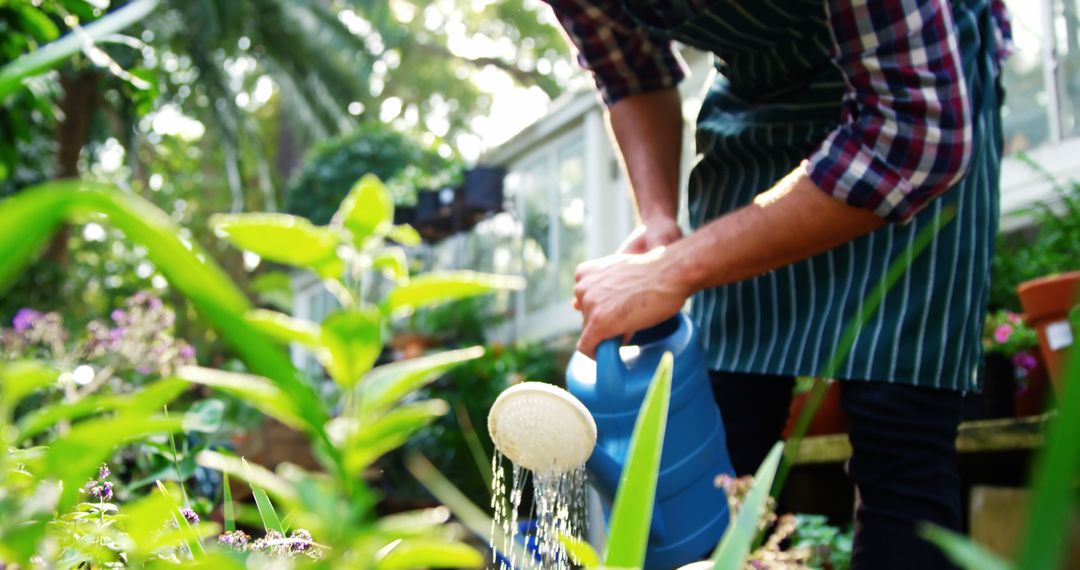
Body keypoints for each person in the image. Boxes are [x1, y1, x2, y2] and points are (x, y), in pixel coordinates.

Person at [544, 0, 1011, 568]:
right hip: (756, 102)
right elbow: (629, 70)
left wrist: (675, 270)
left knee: (899, 430)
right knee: (721, 428)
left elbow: (913, 140)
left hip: (915, 97)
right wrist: (659, 221)